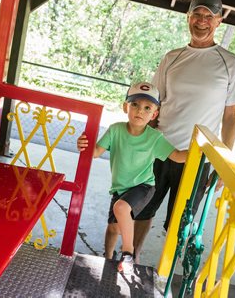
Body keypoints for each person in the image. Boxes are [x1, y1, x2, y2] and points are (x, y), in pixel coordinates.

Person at [133, 0, 235, 261]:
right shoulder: (171, 57)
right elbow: (154, 105)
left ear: (219, 20)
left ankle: (163, 275)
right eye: (197, 14)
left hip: (197, 158)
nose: (202, 21)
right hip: (159, 149)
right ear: (188, 17)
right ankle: (129, 258)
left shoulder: (231, 63)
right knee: (141, 209)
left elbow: (230, 117)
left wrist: (224, 163)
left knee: (179, 224)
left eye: (209, 16)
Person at [76, 82, 188, 273]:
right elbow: (95, 152)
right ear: (125, 106)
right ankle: (108, 258)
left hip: (143, 186)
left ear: (154, 114)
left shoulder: (155, 138)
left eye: (147, 108)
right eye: (135, 104)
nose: (140, 111)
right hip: (120, 188)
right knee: (113, 228)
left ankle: (128, 254)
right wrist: (83, 145)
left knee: (121, 207)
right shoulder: (115, 130)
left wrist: (199, 152)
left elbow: (177, 156)